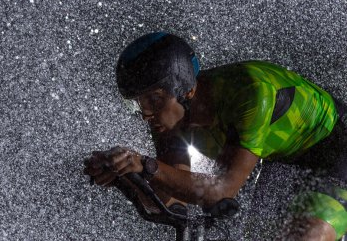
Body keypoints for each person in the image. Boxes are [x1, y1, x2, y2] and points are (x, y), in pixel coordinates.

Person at [84, 32, 347, 240]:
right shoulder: (169, 118)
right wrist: (126, 178)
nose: (145, 114)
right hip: (282, 160)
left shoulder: (251, 94)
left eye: (153, 99)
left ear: (184, 90)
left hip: (336, 150)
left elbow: (222, 192)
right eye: (137, 104)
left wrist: (146, 165)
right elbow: (172, 203)